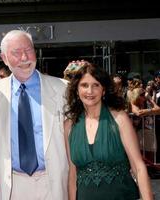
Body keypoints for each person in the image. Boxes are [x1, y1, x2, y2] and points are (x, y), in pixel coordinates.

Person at [0, 30, 68, 200]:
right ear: (4, 58)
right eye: (16, 52)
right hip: (13, 184)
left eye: (28, 50)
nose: (24, 58)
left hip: (52, 182)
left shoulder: (62, 89)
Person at [64, 62, 153, 200]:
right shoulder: (69, 125)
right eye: (84, 85)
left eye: (96, 85)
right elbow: (72, 174)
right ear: (76, 90)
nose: (90, 91)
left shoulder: (119, 118)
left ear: (103, 90)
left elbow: (138, 166)